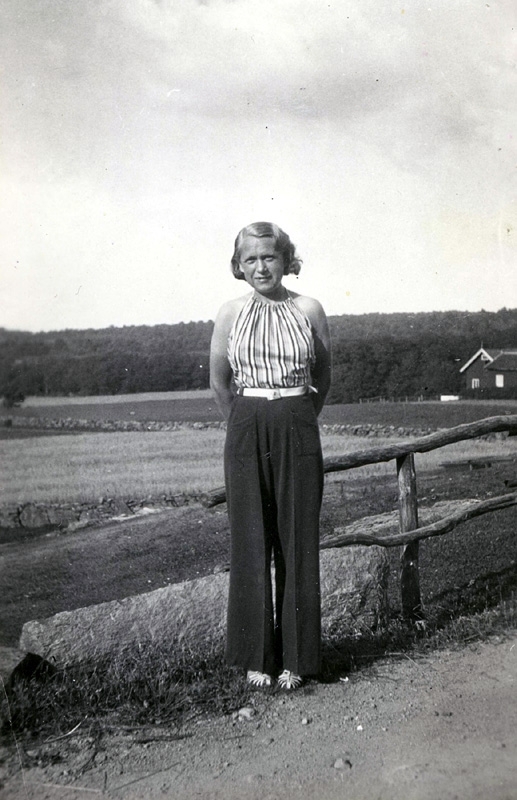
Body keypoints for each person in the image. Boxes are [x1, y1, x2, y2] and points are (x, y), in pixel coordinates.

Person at [210, 221, 331, 690]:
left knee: (298, 538)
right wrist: (247, 420)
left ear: (286, 259)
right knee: (250, 539)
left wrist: (297, 416)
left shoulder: (309, 309)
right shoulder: (230, 313)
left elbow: (324, 374)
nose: (261, 266)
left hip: (297, 417)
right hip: (246, 423)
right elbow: (220, 382)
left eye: (270, 256)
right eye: (251, 259)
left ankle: (298, 660)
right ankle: (256, 657)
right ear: (239, 266)